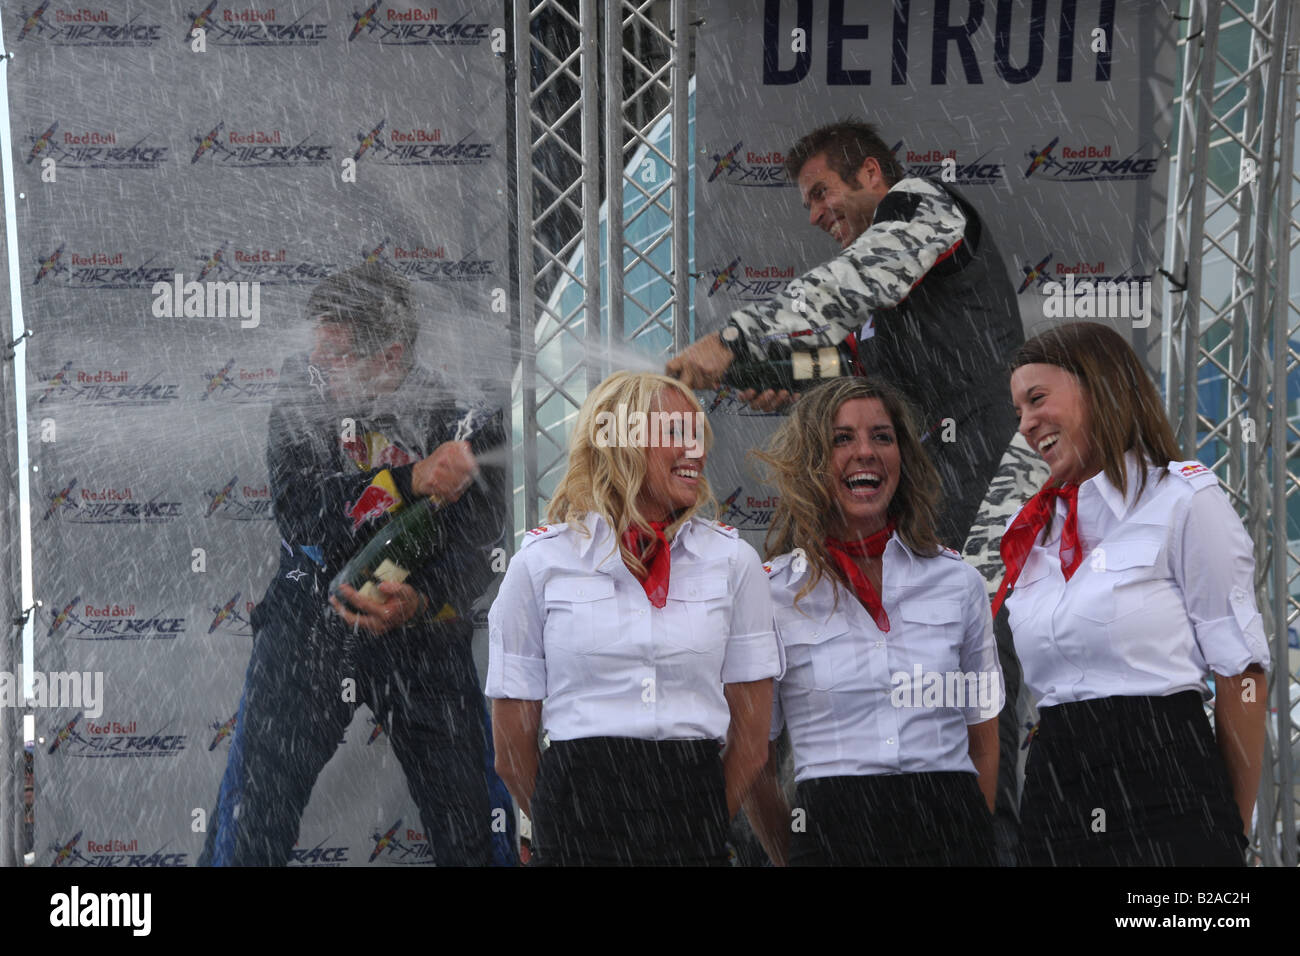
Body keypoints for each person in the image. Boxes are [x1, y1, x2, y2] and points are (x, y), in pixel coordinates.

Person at [670, 118, 1040, 863]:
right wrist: (771, 375)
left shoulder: (925, 210)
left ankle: (989, 842)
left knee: (981, 680)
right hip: (936, 510)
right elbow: (854, 372)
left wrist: (734, 340)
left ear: (873, 174)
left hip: (994, 492)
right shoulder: (888, 290)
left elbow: (849, 286)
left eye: (821, 193)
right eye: (807, 203)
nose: (814, 215)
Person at [200, 263, 515, 866]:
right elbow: (302, 514)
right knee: (253, 818)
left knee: (472, 824)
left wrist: (422, 600)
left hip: (420, 630)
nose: (320, 366)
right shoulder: (301, 393)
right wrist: (409, 479)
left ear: (391, 354)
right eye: (318, 350)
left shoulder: (461, 415)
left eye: (338, 354)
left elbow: (482, 551)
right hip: (311, 619)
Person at [1001, 321, 1270, 866]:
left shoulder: (1185, 501)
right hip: (1056, 794)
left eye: (1037, 400)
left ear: (1099, 387)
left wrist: (1230, 827)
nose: (1028, 425)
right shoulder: (1033, 531)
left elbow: (1242, 675)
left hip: (1169, 784)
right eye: (1018, 414)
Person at [487, 371, 780, 866]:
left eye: (698, 436)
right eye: (674, 433)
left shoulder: (734, 561)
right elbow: (512, 751)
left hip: (692, 825)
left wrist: (700, 823)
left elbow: (751, 745)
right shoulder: (539, 562)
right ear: (618, 441)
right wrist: (565, 825)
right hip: (574, 824)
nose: (695, 451)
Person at [743, 376, 1002, 866]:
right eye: (843, 439)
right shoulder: (769, 593)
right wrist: (794, 854)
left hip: (951, 829)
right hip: (832, 832)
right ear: (811, 462)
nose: (866, 451)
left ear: (902, 456)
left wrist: (968, 830)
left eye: (882, 436)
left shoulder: (958, 582)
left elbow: (984, 739)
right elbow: (755, 760)